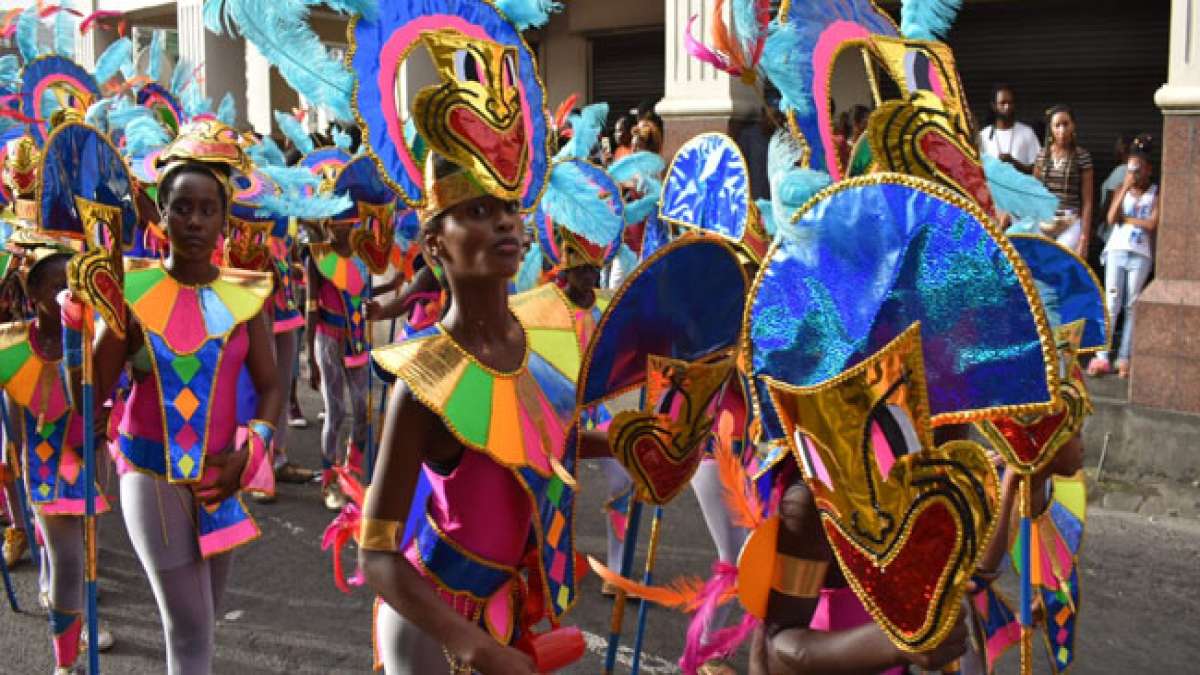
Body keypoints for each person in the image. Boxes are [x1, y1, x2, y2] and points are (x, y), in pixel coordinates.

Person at [90, 120, 282, 675]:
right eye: (181, 208)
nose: (194, 221)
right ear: (161, 213)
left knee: (204, 620)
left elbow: (271, 388)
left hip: (222, 477)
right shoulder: (131, 291)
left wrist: (252, 452)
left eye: (206, 209)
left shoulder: (246, 295)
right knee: (191, 629)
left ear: (225, 217)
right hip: (152, 478)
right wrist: (97, 327)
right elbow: (93, 399)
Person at [0, 244, 115, 672]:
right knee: (70, 560)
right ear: (33, 297)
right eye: (57, 287)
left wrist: (109, 417)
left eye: (76, 283)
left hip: (93, 458)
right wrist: (10, 461)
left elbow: (119, 389)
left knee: (86, 551)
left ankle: (65, 606)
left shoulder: (99, 334)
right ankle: (65, 662)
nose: (70, 292)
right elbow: (12, 417)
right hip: (46, 466)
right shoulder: (12, 346)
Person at [1089, 135, 1159, 379]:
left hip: (1140, 253)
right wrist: (1125, 187)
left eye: (1140, 168)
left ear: (1149, 169)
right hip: (1117, 249)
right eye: (1132, 167)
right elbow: (1110, 218)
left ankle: (1124, 357)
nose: (1136, 172)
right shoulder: (1122, 188)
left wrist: (1127, 220)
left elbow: (1151, 224)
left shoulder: (1156, 192)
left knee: (1132, 305)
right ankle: (1101, 356)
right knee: (1112, 302)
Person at [1033, 105, 1094, 256]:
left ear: (1073, 125)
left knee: (1058, 262)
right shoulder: (1042, 155)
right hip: (1044, 222)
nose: (1062, 130)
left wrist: (1084, 239)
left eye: (1066, 124)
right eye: (1057, 125)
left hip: (1070, 222)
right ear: (1051, 129)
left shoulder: (1082, 157)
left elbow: (1088, 202)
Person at [979, 84, 1041, 174]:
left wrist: (1014, 163)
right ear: (994, 106)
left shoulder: (1027, 133)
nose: (1007, 107)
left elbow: (1037, 169)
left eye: (1010, 103)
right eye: (1003, 103)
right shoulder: (983, 135)